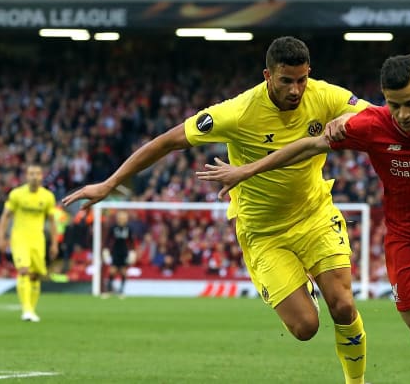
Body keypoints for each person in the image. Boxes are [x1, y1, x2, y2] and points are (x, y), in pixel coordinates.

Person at [196, 54, 410, 383]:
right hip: (407, 244)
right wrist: (246, 170)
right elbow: (307, 146)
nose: (402, 114)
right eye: (393, 104)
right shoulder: (373, 125)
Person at [62, 36, 369, 384]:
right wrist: (109, 183)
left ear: (309, 74)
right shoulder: (237, 112)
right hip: (263, 233)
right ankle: (303, 291)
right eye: (286, 81)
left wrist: (346, 118)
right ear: (268, 75)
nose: (296, 90)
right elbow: (167, 142)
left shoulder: (325, 95)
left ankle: (356, 382)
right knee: (305, 328)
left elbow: (376, 116)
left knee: (343, 306)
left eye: (301, 80)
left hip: (315, 215)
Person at [0, 164, 59, 322]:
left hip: (38, 239)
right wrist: (1, 237)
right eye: (31, 173)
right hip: (20, 238)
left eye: (37, 173)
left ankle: (31, 309)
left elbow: (52, 221)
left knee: (36, 275)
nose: (34, 176)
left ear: (41, 176)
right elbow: (5, 216)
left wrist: (54, 244)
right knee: (23, 270)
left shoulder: (47, 197)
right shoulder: (16, 194)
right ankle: (27, 310)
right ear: (26, 176)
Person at [102, 210, 134, 298]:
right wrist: (106, 250)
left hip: (124, 252)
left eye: (124, 217)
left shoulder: (128, 228)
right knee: (112, 271)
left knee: (123, 272)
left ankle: (121, 291)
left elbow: (131, 242)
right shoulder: (113, 227)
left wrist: (132, 252)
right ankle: (109, 290)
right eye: (120, 217)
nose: (122, 219)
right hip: (115, 251)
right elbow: (108, 240)